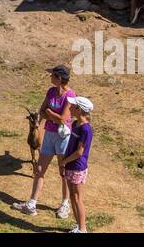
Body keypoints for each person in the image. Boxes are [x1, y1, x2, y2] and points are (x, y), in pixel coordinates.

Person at [12, 65, 75, 218]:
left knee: (64, 172)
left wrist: (50, 113)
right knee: (39, 169)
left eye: (52, 75)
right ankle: (31, 204)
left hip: (63, 138)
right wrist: (51, 115)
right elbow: (41, 111)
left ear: (59, 79)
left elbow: (63, 119)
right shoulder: (51, 91)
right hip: (49, 135)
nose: (50, 77)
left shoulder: (71, 95)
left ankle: (65, 204)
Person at [59, 95, 94, 233]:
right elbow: (70, 146)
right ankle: (78, 225)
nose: (70, 108)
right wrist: (64, 164)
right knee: (72, 197)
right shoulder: (75, 124)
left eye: (73, 106)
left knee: (78, 198)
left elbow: (80, 152)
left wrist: (64, 161)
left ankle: (83, 229)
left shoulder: (86, 129)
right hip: (69, 165)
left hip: (77, 167)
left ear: (79, 109)